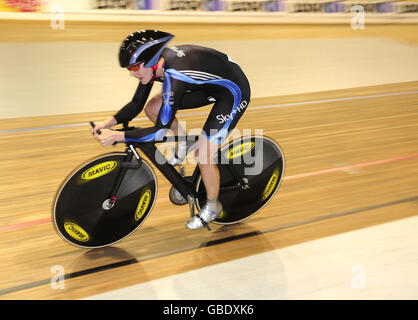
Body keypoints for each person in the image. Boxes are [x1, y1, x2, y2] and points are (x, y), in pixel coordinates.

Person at [92, 30, 251, 230]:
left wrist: (118, 136)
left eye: (133, 67)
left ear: (150, 61)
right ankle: (183, 142)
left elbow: (160, 132)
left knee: (203, 155)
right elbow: (136, 104)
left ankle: (212, 205)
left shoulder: (175, 74)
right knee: (153, 107)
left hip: (232, 93)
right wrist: (107, 123)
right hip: (205, 86)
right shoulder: (154, 68)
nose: (131, 74)